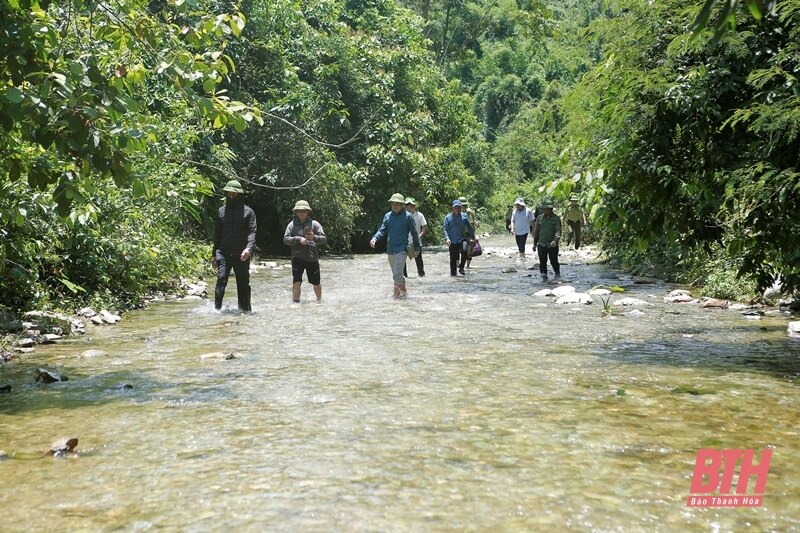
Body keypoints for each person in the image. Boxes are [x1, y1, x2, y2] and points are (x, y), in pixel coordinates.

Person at [212, 179, 257, 311]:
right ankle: (216, 310)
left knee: (243, 284)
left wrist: (249, 248)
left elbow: (252, 232)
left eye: (234, 194)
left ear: (239, 195)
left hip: (241, 254)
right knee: (221, 279)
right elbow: (217, 234)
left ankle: (245, 310)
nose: (231, 196)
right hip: (223, 252)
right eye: (229, 194)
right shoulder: (221, 211)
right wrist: (213, 254)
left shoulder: (248, 212)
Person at [370, 193, 421, 298]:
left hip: (402, 249)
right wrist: (375, 238)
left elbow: (415, 234)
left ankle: (395, 297)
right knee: (398, 275)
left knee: (397, 274)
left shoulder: (408, 216)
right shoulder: (387, 216)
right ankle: (405, 294)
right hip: (390, 249)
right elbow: (382, 230)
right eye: (393, 204)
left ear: (402, 205)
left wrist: (417, 248)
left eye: (397, 204)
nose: (395, 206)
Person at [283, 200, 327, 302]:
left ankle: (319, 301)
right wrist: (298, 239)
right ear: (296, 212)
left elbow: (324, 239)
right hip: (297, 258)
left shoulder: (315, 224)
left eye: (303, 211)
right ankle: (296, 302)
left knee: (316, 282)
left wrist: (314, 237)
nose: (301, 213)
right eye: (299, 211)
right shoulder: (291, 225)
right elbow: (285, 239)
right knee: (296, 281)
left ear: (307, 211)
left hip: (312, 258)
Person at [443, 199, 474, 276]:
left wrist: (473, 237)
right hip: (452, 241)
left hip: (461, 238)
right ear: (452, 208)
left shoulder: (464, 216)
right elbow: (445, 229)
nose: (457, 209)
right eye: (455, 207)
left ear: (461, 208)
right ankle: (453, 276)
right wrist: (447, 239)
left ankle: (461, 267)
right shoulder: (447, 218)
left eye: (459, 207)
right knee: (453, 259)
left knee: (465, 249)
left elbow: (470, 228)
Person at [534, 198, 562, 281]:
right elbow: (537, 231)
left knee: (553, 260)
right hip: (541, 243)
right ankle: (544, 276)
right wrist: (535, 244)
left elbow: (558, 230)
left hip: (552, 244)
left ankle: (557, 274)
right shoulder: (539, 218)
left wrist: (556, 240)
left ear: (550, 209)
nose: (545, 210)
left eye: (546, 209)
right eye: (543, 209)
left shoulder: (556, 218)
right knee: (542, 261)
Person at [403, 197, 427, 277]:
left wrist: (420, 236)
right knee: (402, 261)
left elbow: (424, 227)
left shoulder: (419, 215)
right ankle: (404, 278)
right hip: (404, 241)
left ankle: (421, 276)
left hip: (417, 242)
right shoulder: (402, 216)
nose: (409, 207)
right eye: (407, 205)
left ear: (414, 206)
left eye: (411, 205)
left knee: (419, 261)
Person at [459, 196, 476, 269]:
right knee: (461, 250)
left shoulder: (468, 212)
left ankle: (467, 266)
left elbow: (471, 224)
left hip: (468, 233)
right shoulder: (458, 212)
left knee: (468, 251)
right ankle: (462, 265)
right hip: (460, 233)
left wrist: (472, 236)